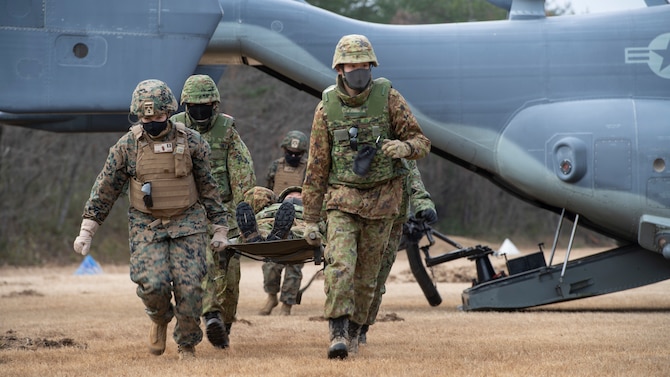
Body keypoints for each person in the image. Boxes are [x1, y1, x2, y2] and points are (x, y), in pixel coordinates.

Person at [72, 79, 231, 360]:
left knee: (190, 285)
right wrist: (88, 228)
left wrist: (220, 227)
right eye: (146, 117)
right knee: (153, 284)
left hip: (188, 222)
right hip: (146, 224)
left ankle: (187, 345)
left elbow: (208, 186)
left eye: (158, 117)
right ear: (138, 115)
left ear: (169, 113)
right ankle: (159, 318)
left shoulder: (193, 142)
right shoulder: (127, 146)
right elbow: (106, 188)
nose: (152, 122)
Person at [301, 34, 431, 359]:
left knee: (367, 280)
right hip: (342, 200)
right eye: (351, 66)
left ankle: (358, 330)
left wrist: (405, 147)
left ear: (371, 66)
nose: (358, 71)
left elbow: (421, 141)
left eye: (363, 65)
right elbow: (316, 167)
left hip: (384, 202)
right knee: (340, 267)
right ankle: (338, 333)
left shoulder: (388, 98)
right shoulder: (327, 107)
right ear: (340, 68)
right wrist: (310, 220)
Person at [170, 74, 256, 349]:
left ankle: (223, 327)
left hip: (225, 213)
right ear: (185, 105)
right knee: (202, 269)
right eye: (194, 104)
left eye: (205, 104)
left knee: (230, 278)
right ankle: (209, 316)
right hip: (187, 214)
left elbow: (243, 172)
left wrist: (244, 212)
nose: (200, 109)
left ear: (215, 104)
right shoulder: (173, 130)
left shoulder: (227, 130)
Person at [357, 159, 437, 349]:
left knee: (376, 280)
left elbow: (413, 179)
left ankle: (361, 327)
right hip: (357, 216)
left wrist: (423, 206)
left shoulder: (400, 147)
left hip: (391, 221)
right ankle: (343, 326)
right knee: (348, 273)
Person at [260, 131, 309, 316]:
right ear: (284, 150)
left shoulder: (309, 168)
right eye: (290, 153)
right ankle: (271, 296)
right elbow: (268, 190)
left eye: (298, 154)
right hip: (276, 217)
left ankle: (287, 304)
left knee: (294, 264)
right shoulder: (275, 167)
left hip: (300, 217)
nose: (294, 157)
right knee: (270, 263)